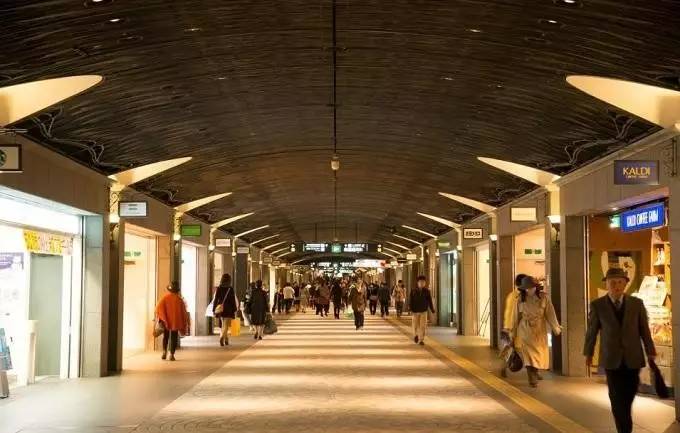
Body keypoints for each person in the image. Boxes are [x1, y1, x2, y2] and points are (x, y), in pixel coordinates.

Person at [584, 268, 656, 433]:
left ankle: (624, 421)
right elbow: (592, 331)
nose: (616, 286)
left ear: (625, 284)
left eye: (620, 282)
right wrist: (588, 352)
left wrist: (650, 350)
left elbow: (644, 330)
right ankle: (624, 429)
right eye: (612, 282)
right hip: (611, 358)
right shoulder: (598, 305)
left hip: (633, 357)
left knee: (629, 393)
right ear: (606, 285)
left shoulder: (637, 304)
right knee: (616, 396)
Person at [508, 276, 561, 387]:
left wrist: (555, 327)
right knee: (529, 355)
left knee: (539, 354)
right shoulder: (520, 299)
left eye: (531, 287)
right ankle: (532, 378)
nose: (529, 290)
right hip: (525, 330)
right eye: (527, 288)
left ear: (536, 287)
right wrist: (512, 333)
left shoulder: (544, 298)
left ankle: (535, 371)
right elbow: (515, 317)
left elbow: (550, 313)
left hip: (539, 330)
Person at [500, 273, 527, 378]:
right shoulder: (520, 297)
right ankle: (533, 371)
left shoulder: (511, 295)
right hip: (514, 327)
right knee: (519, 348)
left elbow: (508, 313)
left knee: (508, 348)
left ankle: (503, 367)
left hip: (508, 326)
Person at [155, 281, 188, 361]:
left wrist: (162, 318)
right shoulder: (180, 300)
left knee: (165, 337)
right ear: (177, 290)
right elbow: (183, 312)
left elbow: (158, 308)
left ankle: (164, 352)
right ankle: (172, 355)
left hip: (166, 321)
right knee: (174, 337)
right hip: (175, 322)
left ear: (169, 289)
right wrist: (184, 322)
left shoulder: (165, 298)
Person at [213, 273, 239, 346]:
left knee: (223, 324)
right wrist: (234, 309)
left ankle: (226, 339)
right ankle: (222, 337)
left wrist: (214, 309)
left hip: (221, 308)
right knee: (226, 325)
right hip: (229, 308)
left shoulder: (219, 288)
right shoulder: (230, 289)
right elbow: (233, 300)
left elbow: (216, 299)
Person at [409, 276, 435, 345]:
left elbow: (430, 301)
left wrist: (432, 309)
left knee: (423, 326)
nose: (422, 283)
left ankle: (421, 340)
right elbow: (411, 300)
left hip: (423, 311)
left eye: (423, 282)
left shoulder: (427, 291)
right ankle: (415, 335)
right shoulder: (413, 290)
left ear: (425, 283)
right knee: (415, 325)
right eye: (420, 282)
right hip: (415, 311)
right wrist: (410, 309)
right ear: (417, 283)